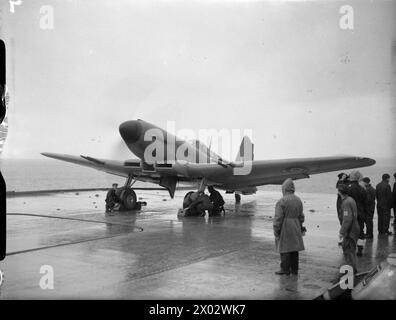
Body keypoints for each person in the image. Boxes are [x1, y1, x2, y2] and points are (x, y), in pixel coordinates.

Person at [273, 178, 305, 276]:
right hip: (295, 225)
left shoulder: (282, 201)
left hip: (285, 226)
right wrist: (300, 226)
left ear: (284, 189)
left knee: (284, 249)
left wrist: (276, 230)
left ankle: (285, 269)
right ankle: (295, 270)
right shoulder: (298, 200)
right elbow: (301, 216)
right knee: (294, 249)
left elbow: (278, 218)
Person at [338, 184, 360, 273]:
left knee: (348, 250)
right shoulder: (351, 199)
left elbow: (347, 219)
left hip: (350, 231)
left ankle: (351, 271)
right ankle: (352, 269)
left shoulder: (346, 202)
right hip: (354, 228)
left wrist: (342, 232)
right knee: (349, 249)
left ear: (340, 192)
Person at [347, 170, 368, 256]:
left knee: (349, 230)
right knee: (360, 231)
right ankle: (360, 248)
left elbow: (345, 201)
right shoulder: (362, 189)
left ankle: (350, 248)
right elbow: (365, 202)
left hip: (351, 213)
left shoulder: (348, 188)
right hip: (360, 212)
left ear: (352, 177)